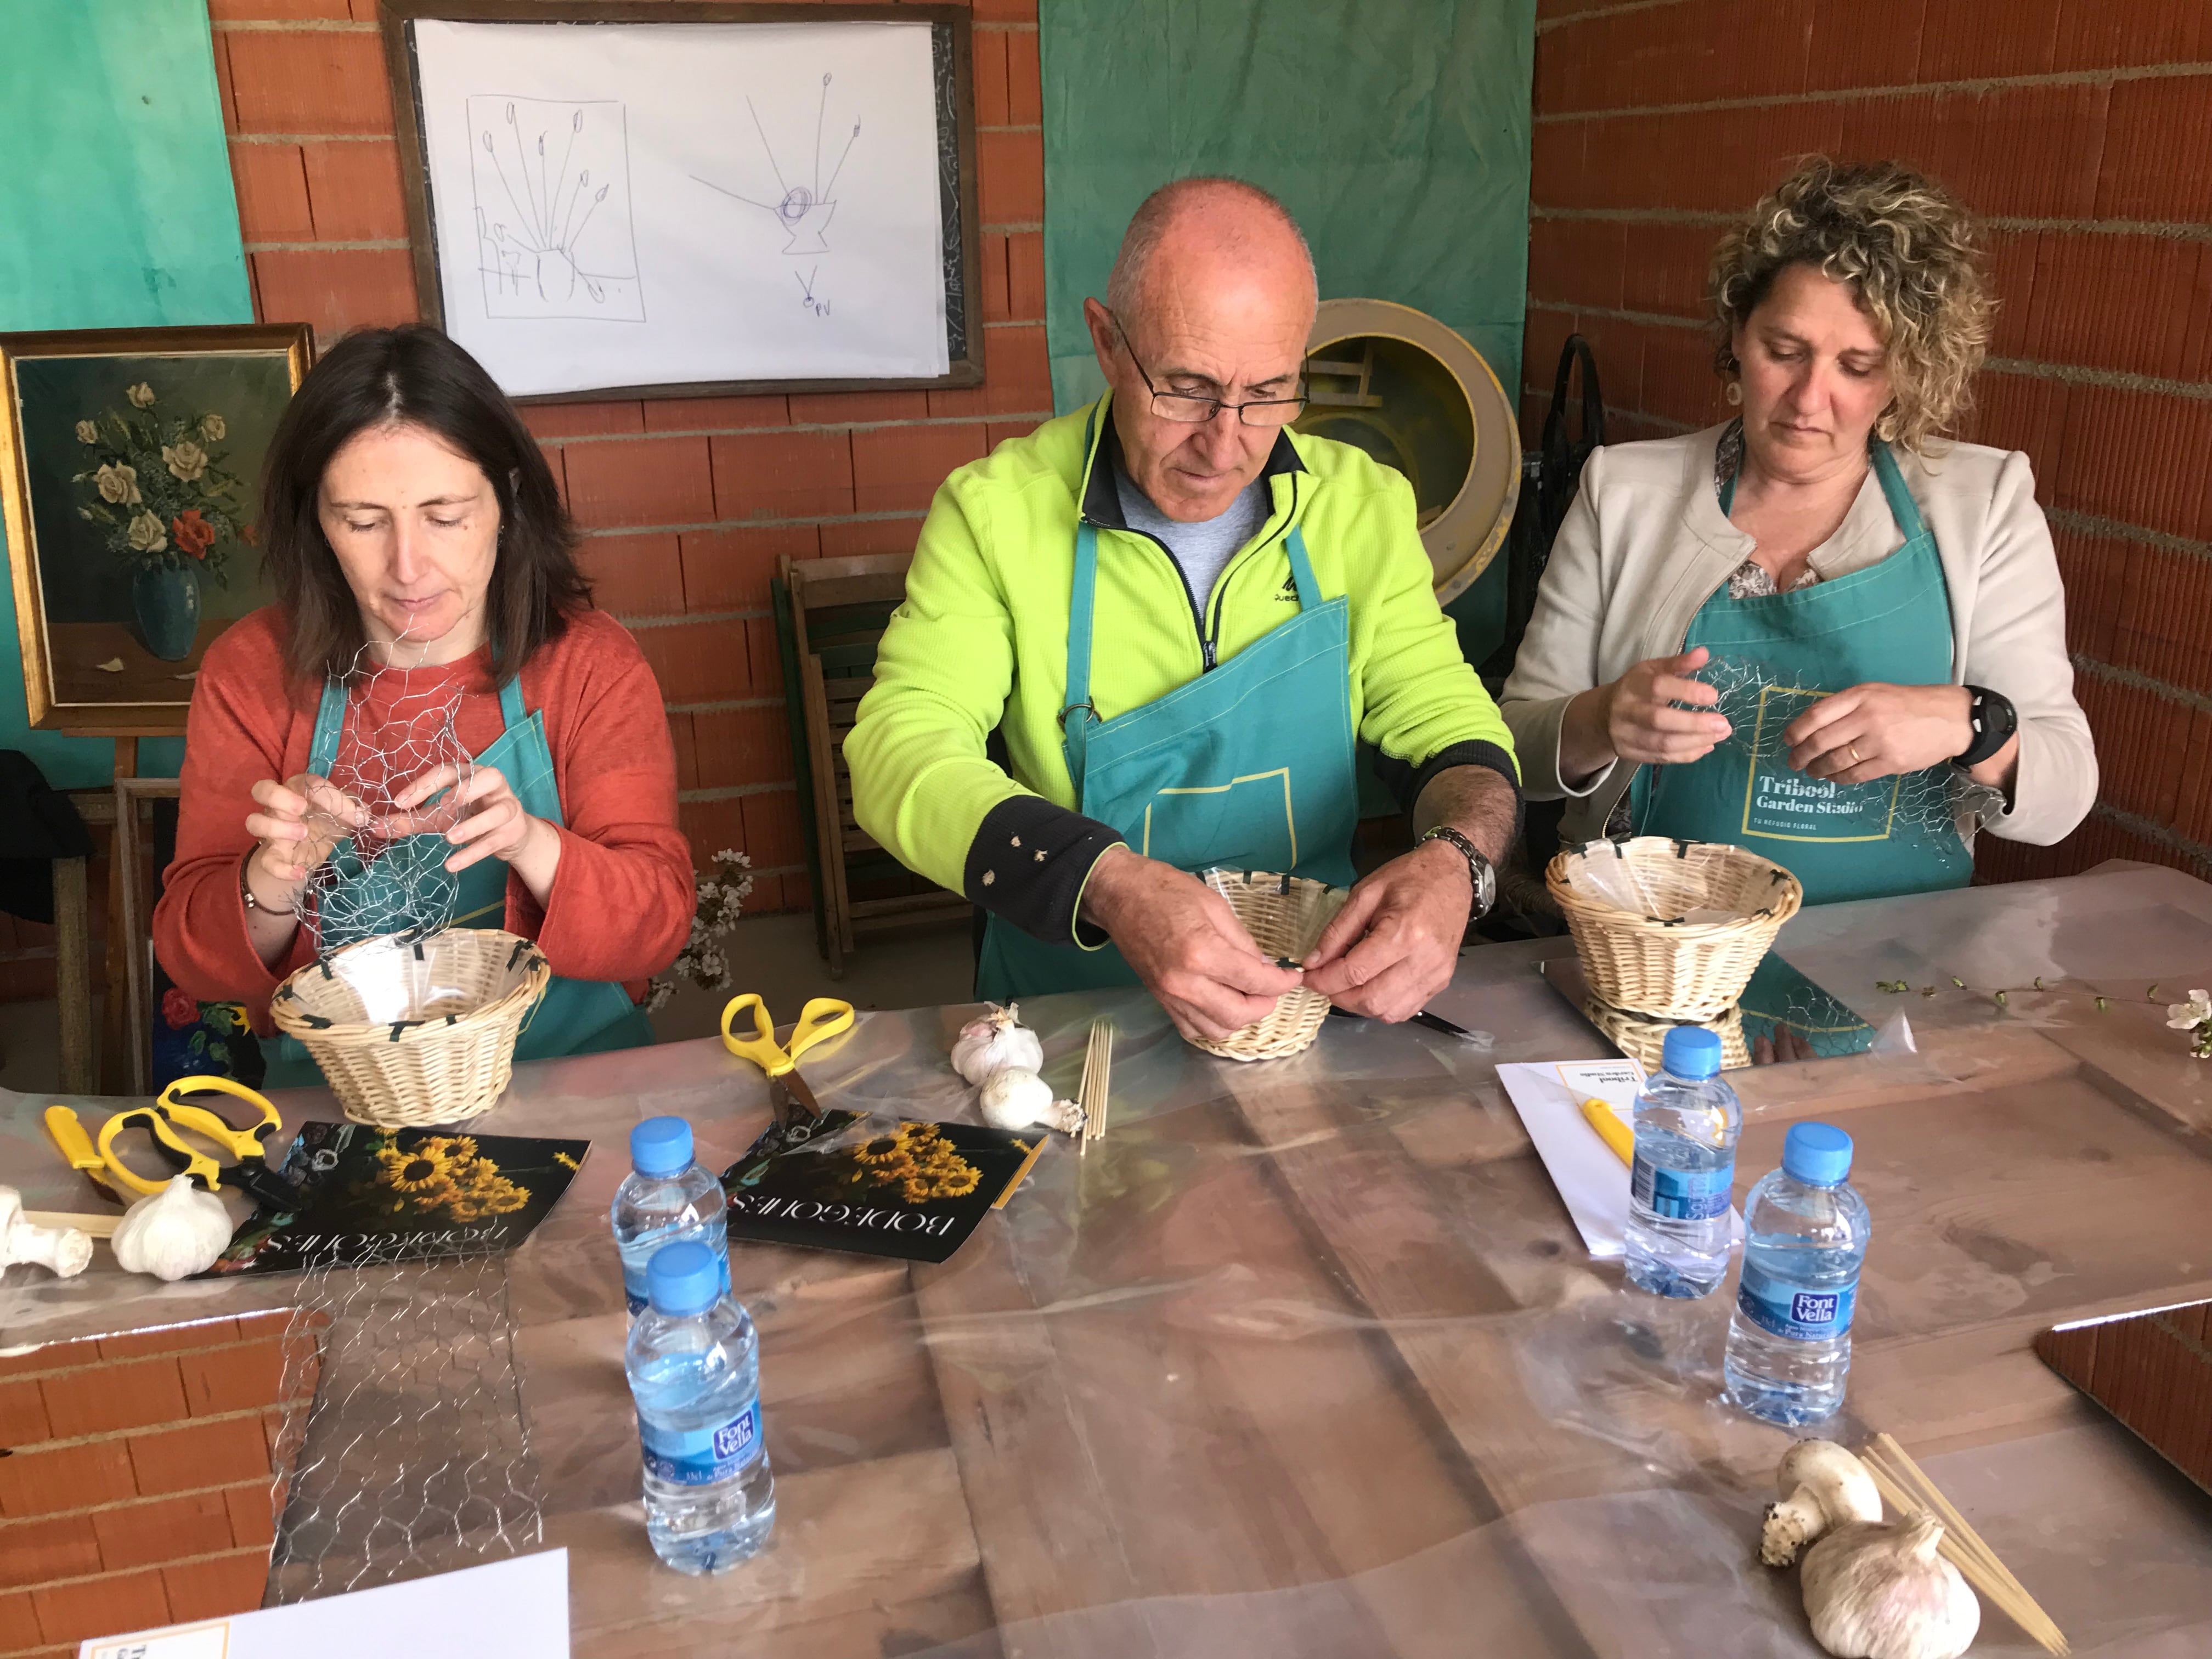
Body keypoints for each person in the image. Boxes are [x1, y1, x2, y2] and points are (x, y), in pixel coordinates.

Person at [845, 178, 1520, 1041]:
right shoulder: (996, 515)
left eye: (1269, 392)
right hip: (1066, 1017)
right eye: (1186, 388)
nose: (1224, 441)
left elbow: (1449, 720)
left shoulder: (1361, 509)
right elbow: (900, 751)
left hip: (1304, 1011)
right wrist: (1112, 883)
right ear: (1106, 341)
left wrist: (1459, 864)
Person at [1501, 158, 2094, 907]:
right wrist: (1601, 718)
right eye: (1785, 351)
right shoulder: (1625, 492)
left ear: (1904, 374)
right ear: (1737, 338)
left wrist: (1969, 721)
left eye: (1857, 365)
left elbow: (2065, 796)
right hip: (1645, 948)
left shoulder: (1983, 506)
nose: (1810, 399)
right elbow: (1514, 746)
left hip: (1892, 958)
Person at [155, 325, 692, 1084]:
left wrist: (531, 844)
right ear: (316, 521)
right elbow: (193, 960)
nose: (408, 567)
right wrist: (274, 874)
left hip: (575, 1082)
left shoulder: (588, 664)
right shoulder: (250, 672)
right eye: (364, 521)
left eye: (445, 516)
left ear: (507, 500)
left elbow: (658, 927)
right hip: (341, 1101)